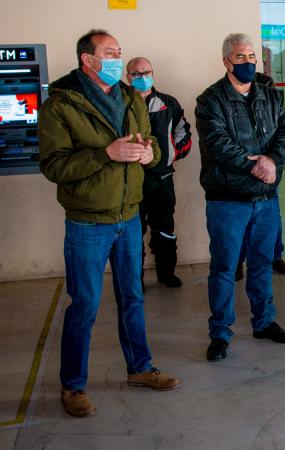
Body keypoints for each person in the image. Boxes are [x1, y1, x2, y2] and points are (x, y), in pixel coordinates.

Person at [38, 29, 180, 418]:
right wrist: (107, 153)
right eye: (110, 52)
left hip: (129, 216)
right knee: (84, 304)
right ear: (88, 59)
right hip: (88, 223)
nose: (118, 57)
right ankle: (73, 386)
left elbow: (151, 147)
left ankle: (140, 368)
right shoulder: (60, 104)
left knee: (132, 297)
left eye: (119, 50)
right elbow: (54, 166)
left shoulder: (131, 97)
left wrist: (144, 155)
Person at [196, 33, 285, 362]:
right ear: (226, 61)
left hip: (266, 199)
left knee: (261, 264)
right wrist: (257, 165)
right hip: (228, 200)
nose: (249, 62)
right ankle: (221, 333)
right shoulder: (210, 100)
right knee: (225, 268)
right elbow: (219, 145)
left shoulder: (270, 96)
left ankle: (264, 322)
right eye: (241, 57)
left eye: (252, 56)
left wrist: (273, 160)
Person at [125, 57, 192, 288]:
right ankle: (136, 280)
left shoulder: (168, 103)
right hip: (131, 180)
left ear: (153, 73)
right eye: (136, 73)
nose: (142, 77)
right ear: (127, 77)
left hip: (162, 179)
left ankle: (166, 273)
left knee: (165, 228)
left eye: (147, 72)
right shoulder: (121, 104)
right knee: (133, 232)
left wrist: (170, 156)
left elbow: (184, 132)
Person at [234, 72, 285, 282]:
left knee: (272, 219)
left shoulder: (274, 104)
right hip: (245, 174)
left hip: (271, 175)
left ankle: (276, 256)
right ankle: (238, 262)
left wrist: (273, 160)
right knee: (243, 222)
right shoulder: (232, 104)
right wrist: (253, 163)